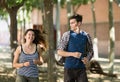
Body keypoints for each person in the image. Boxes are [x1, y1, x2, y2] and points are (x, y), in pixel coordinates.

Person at [57, 14, 94, 82]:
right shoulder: (67, 35)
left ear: (79, 23)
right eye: (70, 23)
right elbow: (59, 51)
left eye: (73, 23)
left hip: (81, 69)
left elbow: (90, 51)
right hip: (69, 68)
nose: (70, 25)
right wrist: (73, 54)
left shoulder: (86, 36)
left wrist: (87, 58)